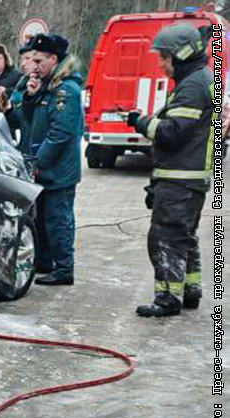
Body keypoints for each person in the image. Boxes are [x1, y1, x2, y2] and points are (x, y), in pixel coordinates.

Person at [125, 23, 213, 317]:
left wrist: (140, 121)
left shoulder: (193, 86)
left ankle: (168, 298)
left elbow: (172, 133)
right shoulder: (198, 81)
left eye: (164, 56)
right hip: (185, 180)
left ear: (182, 54)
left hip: (180, 180)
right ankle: (189, 290)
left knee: (165, 238)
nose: (161, 63)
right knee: (183, 236)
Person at [1, 33, 83, 285]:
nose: (34, 66)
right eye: (32, 61)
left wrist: (38, 163)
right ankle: (44, 261)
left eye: (39, 61)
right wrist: (29, 96)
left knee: (58, 220)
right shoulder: (46, 86)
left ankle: (64, 268)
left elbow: (60, 134)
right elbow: (28, 121)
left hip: (58, 171)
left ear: (53, 59)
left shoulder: (65, 90)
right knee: (42, 219)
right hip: (43, 168)